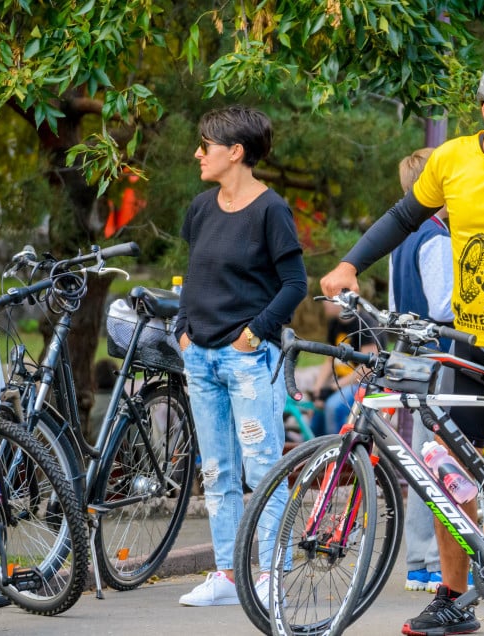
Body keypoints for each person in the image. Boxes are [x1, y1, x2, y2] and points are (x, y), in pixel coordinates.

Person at [320, 60, 484, 636]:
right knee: (447, 473)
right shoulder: (450, 160)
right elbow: (403, 218)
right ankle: (455, 598)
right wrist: (349, 263)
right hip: (469, 343)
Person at [174, 105, 307, 608]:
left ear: (235, 152)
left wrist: (254, 334)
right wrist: (184, 331)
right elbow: (193, 273)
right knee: (218, 472)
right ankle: (229, 574)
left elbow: (296, 284)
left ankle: (272, 571)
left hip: (249, 360)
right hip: (201, 358)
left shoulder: (272, 210)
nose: (198, 153)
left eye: (205, 144)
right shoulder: (201, 207)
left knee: (262, 467)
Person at [387, 147, 451, 593]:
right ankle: (433, 560)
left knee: (419, 459)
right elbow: (445, 306)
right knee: (441, 460)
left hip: (408, 354)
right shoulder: (437, 238)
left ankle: (418, 561)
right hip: (439, 356)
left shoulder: (402, 239)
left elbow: (394, 307)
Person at [308, 300, 380, 436]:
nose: (324, 303)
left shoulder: (365, 323)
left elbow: (368, 369)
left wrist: (333, 388)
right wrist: (318, 389)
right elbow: (330, 358)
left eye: (328, 299)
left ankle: (338, 450)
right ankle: (313, 451)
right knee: (316, 411)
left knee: (333, 406)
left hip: (364, 383)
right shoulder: (334, 323)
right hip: (342, 382)